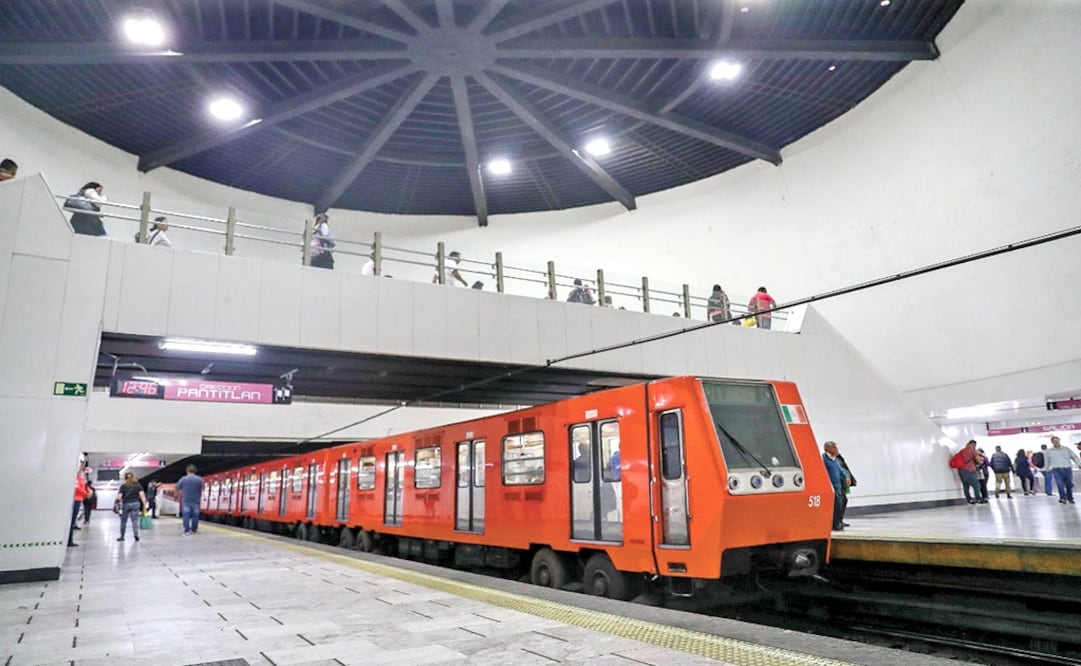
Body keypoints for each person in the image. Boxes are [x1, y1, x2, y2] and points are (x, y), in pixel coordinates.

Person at [1045, 436, 1081, 504]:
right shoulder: (1049, 451)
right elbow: (1047, 461)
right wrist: (1047, 469)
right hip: (1056, 469)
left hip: (1067, 468)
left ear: (1059, 441)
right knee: (1060, 484)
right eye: (1055, 441)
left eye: (1057, 441)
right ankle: (1063, 498)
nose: (1056, 442)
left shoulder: (1066, 449)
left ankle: (1070, 498)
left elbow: (1074, 456)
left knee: (1069, 484)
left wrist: (1079, 464)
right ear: (1052, 442)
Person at [115, 472, 147, 542]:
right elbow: (142, 496)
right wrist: (144, 506)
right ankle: (136, 535)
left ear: (125, 478)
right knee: (135, 521)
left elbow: (119, 497)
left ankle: (122, 536)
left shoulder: (123, 486)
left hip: (126, 505)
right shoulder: (138, 485)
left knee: (123, 521)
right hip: (136, 504)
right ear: (133, 477)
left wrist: (116, 503)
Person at [821, 441, 846, 530]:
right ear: (827, 449)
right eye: (834, 447)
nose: (836, 449)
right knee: (835, 506)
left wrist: (845, 477)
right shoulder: (824, 459)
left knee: (841, 503)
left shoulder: (835, 459)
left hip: (838, 485)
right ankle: (835, 524)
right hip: (831, 486)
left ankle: (839, 521)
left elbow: (840, 470)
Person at [176, 464, 205, 535]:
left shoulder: (183, 479)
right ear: (195, 471)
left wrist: (178, 497)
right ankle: (194, 529)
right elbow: (202, 489)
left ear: (187, 471)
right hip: (196, 501)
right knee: (195, 515)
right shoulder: (200, 479)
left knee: (186, 515)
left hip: (185, 501)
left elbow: (177, 488)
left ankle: (187, 530)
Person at [69, 468, 92, 547]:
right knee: (71, 521)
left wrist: (89, 491)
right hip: (75, 500)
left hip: (78, 500)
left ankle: (70, 539)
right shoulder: (74, 477)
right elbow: (76, 488)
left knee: (72, 521)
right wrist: (86, 494)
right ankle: (69, 540)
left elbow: (83, 486)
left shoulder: (79, 477)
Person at [957, 440, 982, 505]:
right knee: (976, 485)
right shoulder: (973, 451)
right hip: (970, 470)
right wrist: (981, 460)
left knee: (965, 486)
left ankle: (969, 500)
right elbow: (979, 460)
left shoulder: (962, 450)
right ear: (973, 445)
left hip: (961, 470)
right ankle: (978, 499)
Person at [836, 449, 857, 527]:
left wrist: (852, 479)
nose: (837, 450)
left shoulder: (839, 458)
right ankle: (837, 521)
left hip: (844, 482)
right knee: (841, 501)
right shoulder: (831, 460)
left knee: (844, 500)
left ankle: (840, 520)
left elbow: (846, 469)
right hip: (838, 483)